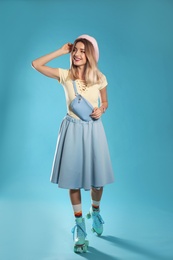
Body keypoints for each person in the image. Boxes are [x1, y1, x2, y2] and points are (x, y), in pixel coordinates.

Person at [32, 34, 114, 253]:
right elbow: (36, 64)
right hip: (72, 130)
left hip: (94, 130)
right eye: (75, 50)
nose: (77, 54)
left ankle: (95, 211)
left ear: (90, 56)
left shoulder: (99, 77)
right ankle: (80, 227)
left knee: (98, 181)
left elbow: (104, 101)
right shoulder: (65, 75)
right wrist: (61, 51)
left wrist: (101, 109)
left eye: (82, 51)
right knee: (73, 181)